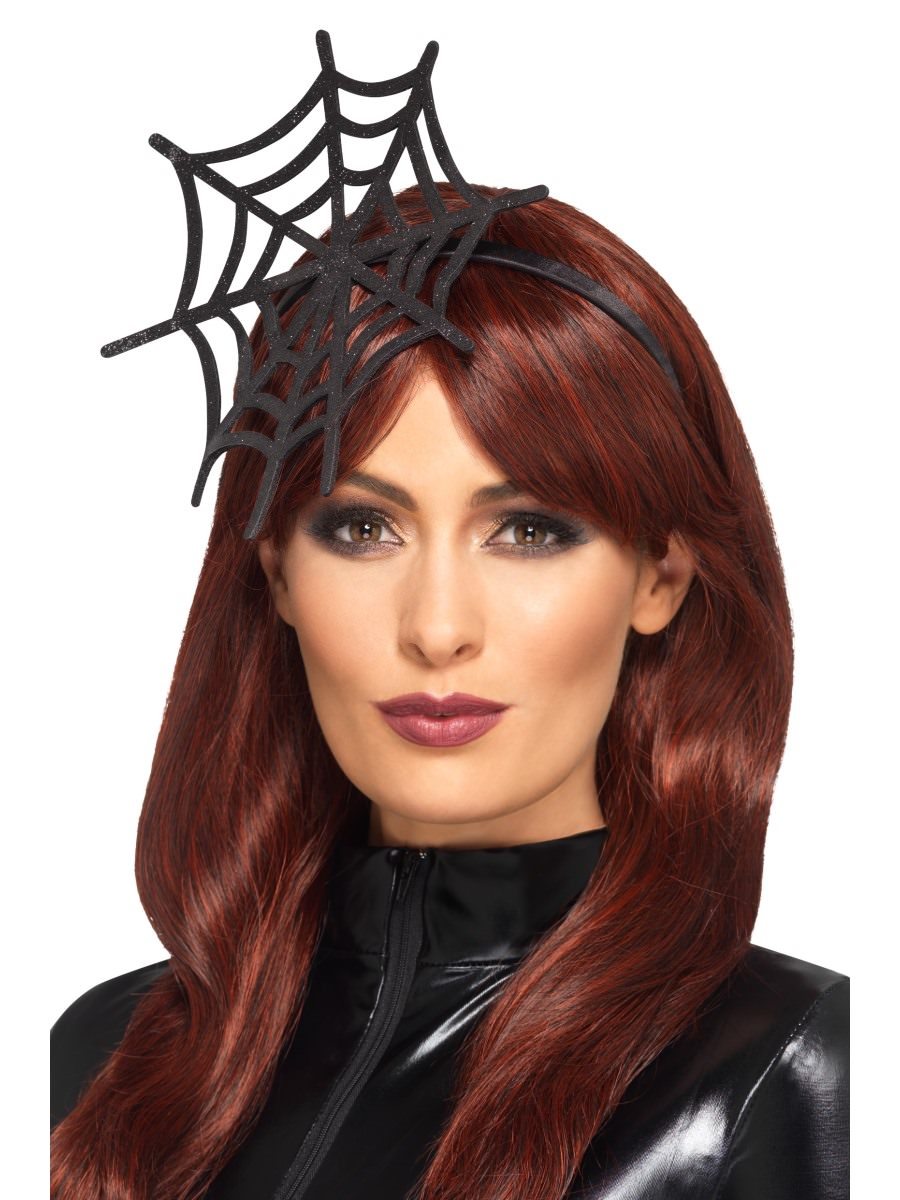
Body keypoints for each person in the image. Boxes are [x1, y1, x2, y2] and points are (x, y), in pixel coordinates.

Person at [49, 37, 849, 1200]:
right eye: (361, 528)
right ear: (275, 572)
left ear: (660, 577)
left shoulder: (787, 1071)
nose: (436, 627)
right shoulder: (101, 1064)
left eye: (527, 530)